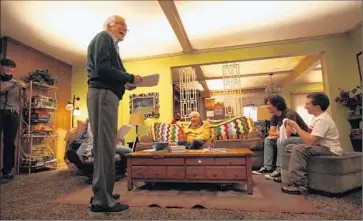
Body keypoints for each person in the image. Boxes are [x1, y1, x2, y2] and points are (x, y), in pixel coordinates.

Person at [86, 15, 142, 213]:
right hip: (102, 95)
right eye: (122, 25)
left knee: (108, 146)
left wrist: (125, 83)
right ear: (110, 26)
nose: (125, 29)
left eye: (127, 27)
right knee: (103, 146)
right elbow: (102, 68)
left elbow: (108, 71)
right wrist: (128, 77)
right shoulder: (104, 37)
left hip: (108, 95)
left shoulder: (112, 44)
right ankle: (102, 200)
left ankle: (105, 191)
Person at [281, 93, 343, 195]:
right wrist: (296, 130)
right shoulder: (316, 117)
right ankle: (287, 174)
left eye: (307, 104)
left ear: (317, 107)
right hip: (318, 145)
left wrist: (296, 126)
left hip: (329, 149)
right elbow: (309, 137)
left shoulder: (322, 120)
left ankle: (299, 185)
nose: (305, 107)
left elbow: (309, 141)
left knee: (298, 149)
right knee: (289, 146)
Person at [254, 95, 308, 182]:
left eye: (269, 105)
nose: (267, 107)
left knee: (280, 140)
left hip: (300, 138)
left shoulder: (290, 114)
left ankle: (280, 170)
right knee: (268, 140)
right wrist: (278, 134)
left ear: (277, 105)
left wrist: (278, 134)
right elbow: (270, 132)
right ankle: (267, 167)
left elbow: (287, 133)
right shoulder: (274, 116)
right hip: (287, 138)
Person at [0, 58, 28, 182]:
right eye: (6, 67)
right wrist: (9, 85)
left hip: (13, 115)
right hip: (1, 112)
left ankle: (7, 171)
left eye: (11, 68)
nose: (9, 69)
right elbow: (1, 89)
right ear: (2, 67)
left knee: (9, 143)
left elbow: (26, 100)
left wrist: (24, 88)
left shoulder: (17, 83)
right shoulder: (5, 82)